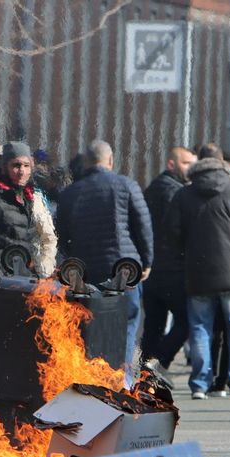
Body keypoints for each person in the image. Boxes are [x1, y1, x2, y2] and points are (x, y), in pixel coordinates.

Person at [165, 154, 230, 400]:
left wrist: (186, 252)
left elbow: (172, 231)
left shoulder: (183, 195)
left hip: (197, 273)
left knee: (200, 329)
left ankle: (199, 385)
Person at [55, 139, 153, 373]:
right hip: (123, 270)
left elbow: (62, 235)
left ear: (86, 162)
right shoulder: (126, 185)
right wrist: (147, 262)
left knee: (88, 327)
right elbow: (143, 225)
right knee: (127, 324)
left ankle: (92, 380)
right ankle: (123, 379)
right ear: (110, 160)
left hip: (86, 273)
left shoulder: (70, 193)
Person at [0, 141, 57, 277]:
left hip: (19, 278)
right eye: (16, 165)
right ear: (4, 167)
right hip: (0, 282)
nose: (22, 171)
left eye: (26, 166)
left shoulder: (26, 196)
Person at [141, 146, 195, 371]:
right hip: (171, 269)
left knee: (154, 326)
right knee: (188, 320)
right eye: (186, 163)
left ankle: (144, 371)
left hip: (154, 268)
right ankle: (158, 363)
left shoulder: (155, 187)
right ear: (171, 164)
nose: (190, 168)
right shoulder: (174, 192)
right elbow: (178, 231)